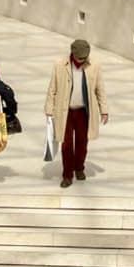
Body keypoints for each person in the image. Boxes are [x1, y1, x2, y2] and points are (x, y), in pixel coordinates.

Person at [44, 37, 108, 189]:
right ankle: (67, 175)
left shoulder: (94, 66)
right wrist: (49, 109)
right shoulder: (60, 65)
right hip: (65, 111)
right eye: (79, 58)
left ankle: (79, 168)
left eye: (84, 58)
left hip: (83, 112)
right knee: (66, 145)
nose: (82, 60)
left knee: (82, 143)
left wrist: (104, 110)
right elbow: (52, 88)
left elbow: (100, 89)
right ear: (72, 54)